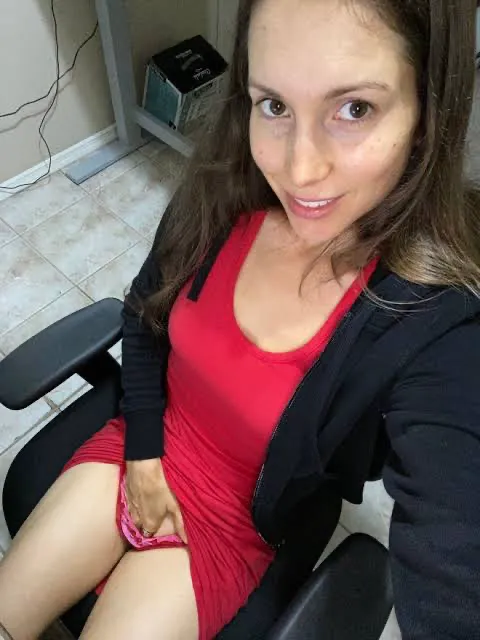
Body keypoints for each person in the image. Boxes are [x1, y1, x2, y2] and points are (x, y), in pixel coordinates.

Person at [1, 0, 480, 638]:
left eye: (355, 109)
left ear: (426, 113)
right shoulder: (219, 197)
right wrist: (143, 454)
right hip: (142, 446)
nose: (298, 169)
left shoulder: (434, 319)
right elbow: (144, 317)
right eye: (274, 105)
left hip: (230, 526)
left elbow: (456, 544)